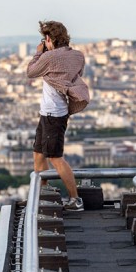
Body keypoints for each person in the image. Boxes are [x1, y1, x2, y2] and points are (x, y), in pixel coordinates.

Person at [26, 20, 90, 211]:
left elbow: (31, 72)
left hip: (52, 113)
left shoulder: (49, 57)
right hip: (53, 112)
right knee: (38, 155)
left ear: (48, 39)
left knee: (55, 157)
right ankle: (43, 197)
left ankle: (75, 199)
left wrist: (39, 52)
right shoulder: (77, 56)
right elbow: (77, 74)